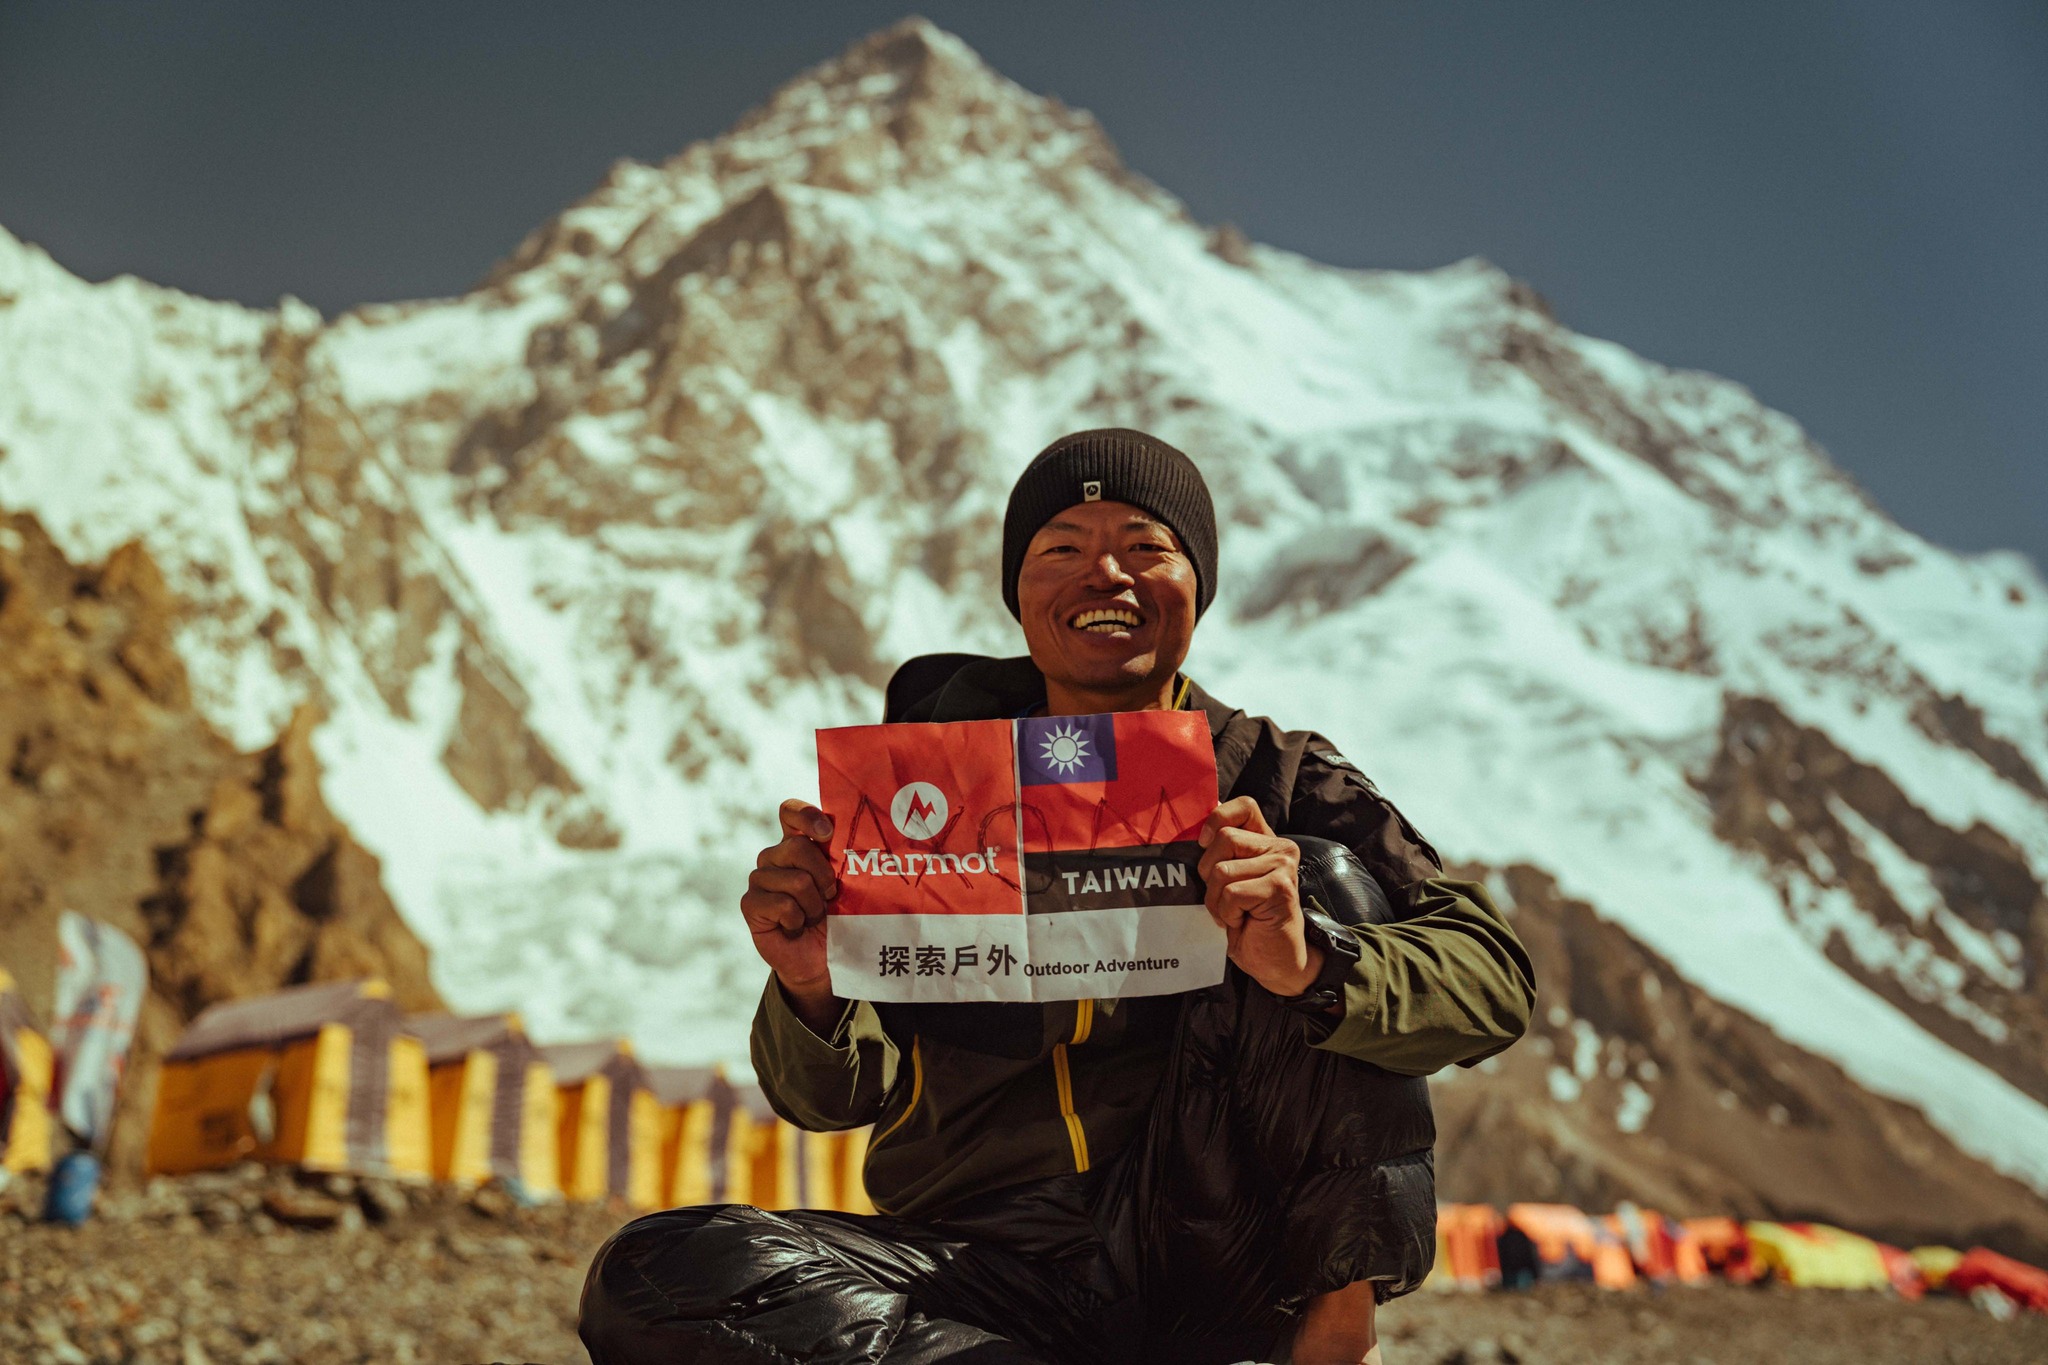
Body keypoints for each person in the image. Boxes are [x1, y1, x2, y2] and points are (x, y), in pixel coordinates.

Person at [581, 429, 1536, 1365]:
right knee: (658, 1273)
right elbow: (822, 1099)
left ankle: (1332, 1347)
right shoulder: (925, 781)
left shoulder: (1276, 773)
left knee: (1321, 876)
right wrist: (808, 988)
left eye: (1145, 547)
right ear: (1020, 592)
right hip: (975, 1255)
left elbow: (1492, 977)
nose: (1105, 575)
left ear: (1196, 584)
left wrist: (1310, 957)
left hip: (1215, 1254)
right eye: (1063, 549)